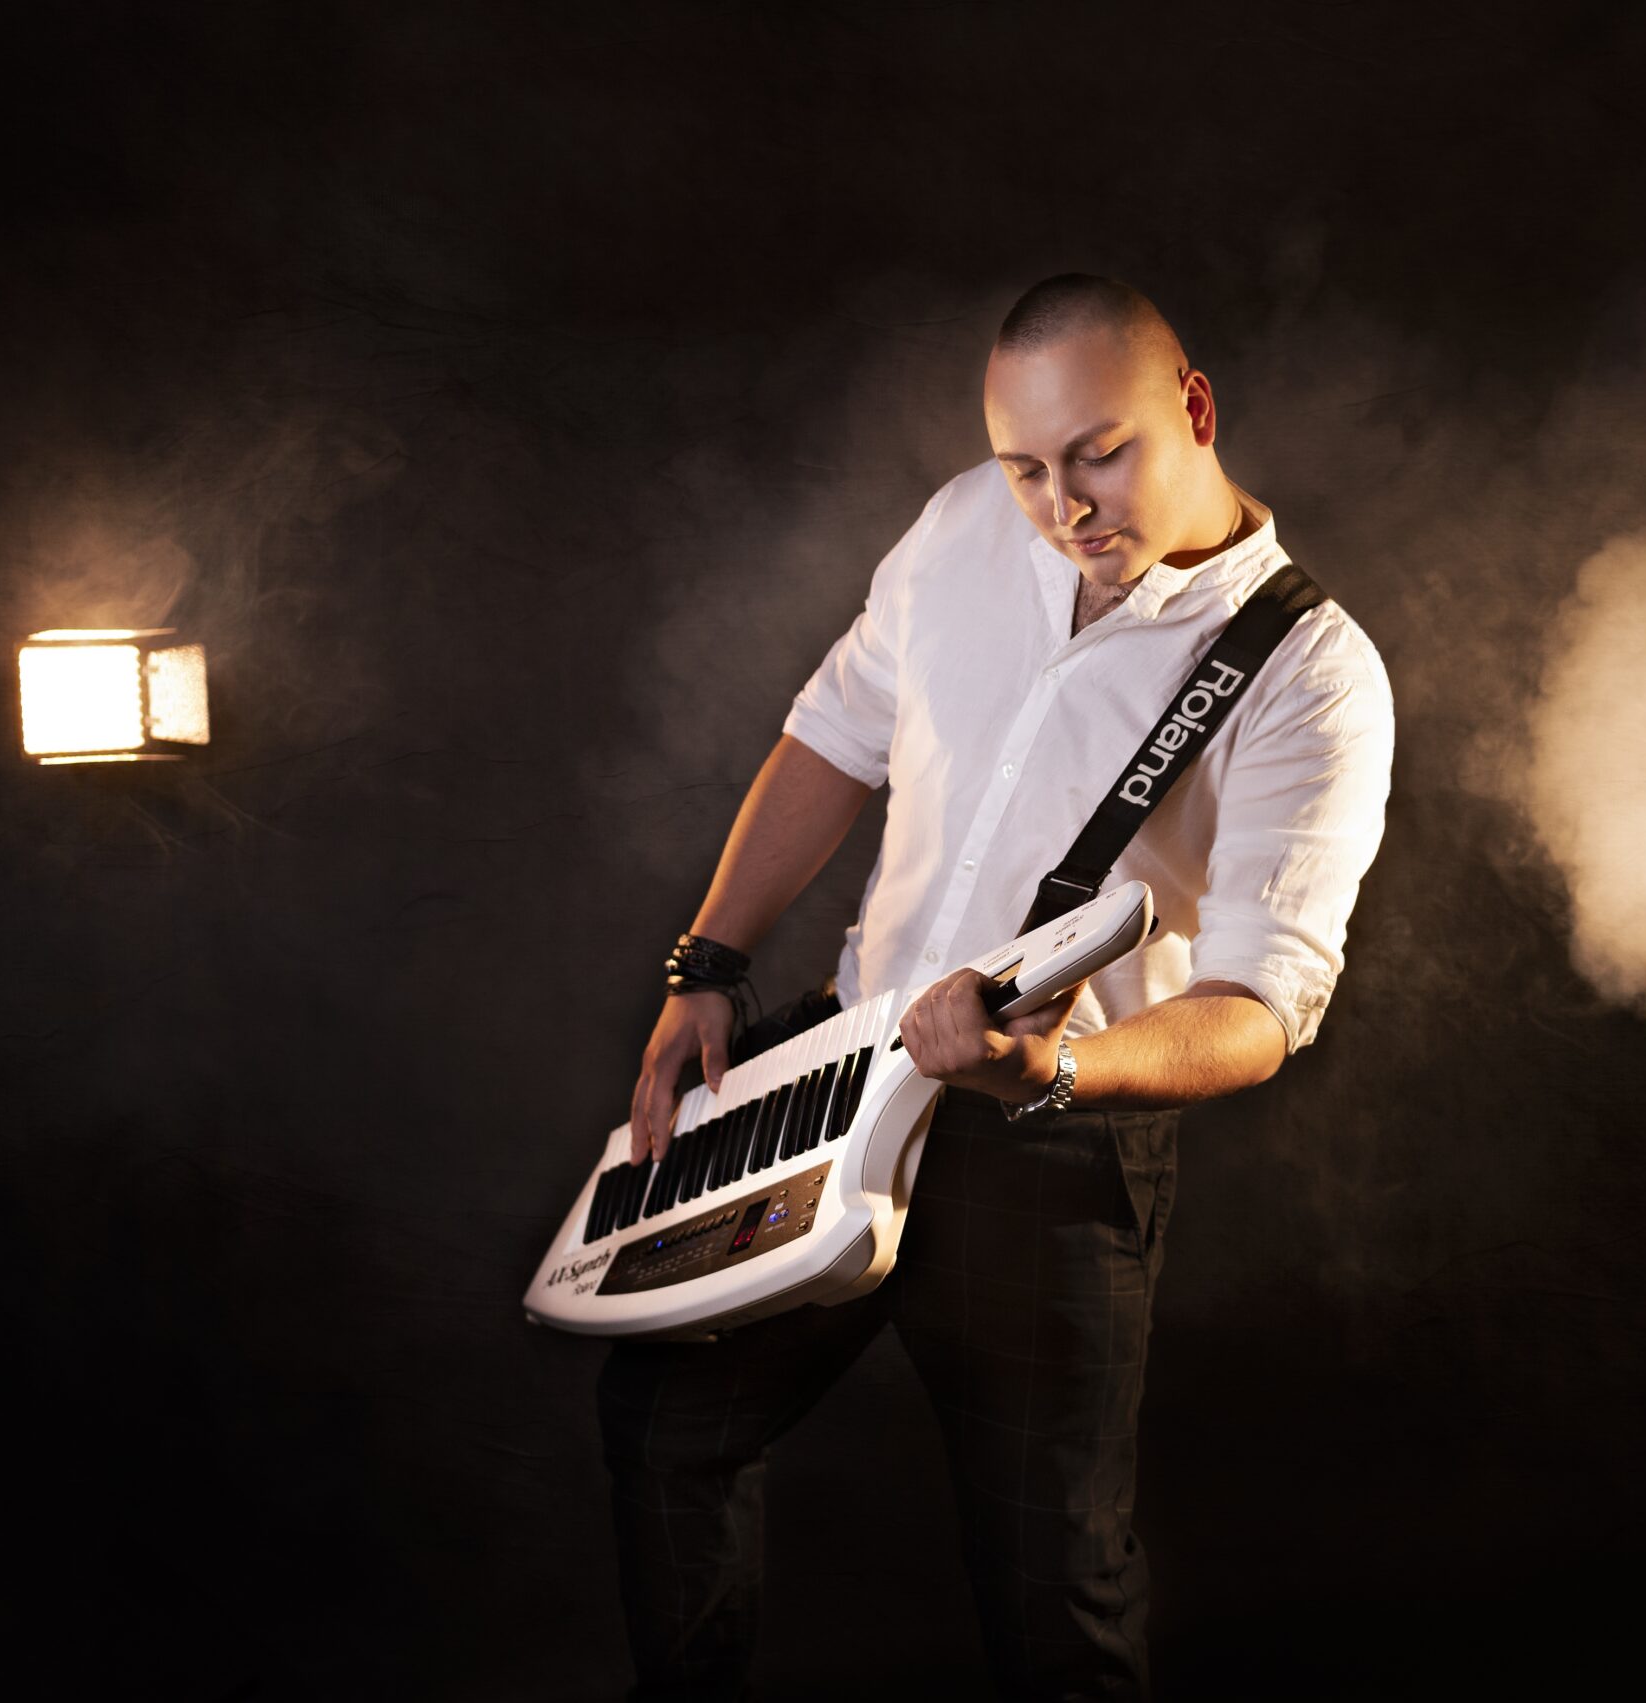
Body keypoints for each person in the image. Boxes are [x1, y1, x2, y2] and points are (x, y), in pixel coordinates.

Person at [596, 274, 1396, 1700]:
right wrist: (708, 962)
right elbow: (833, 735)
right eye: (1028, 465)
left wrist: (1054, 1069)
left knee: (1052, 1591)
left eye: (1101, 453)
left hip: (1053, 1143)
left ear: (1194, 409)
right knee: (664, 1423)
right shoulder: (966, 522)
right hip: (841, 1079)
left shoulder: (1312, 675)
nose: (1063, 506)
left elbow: (1261, 1008)